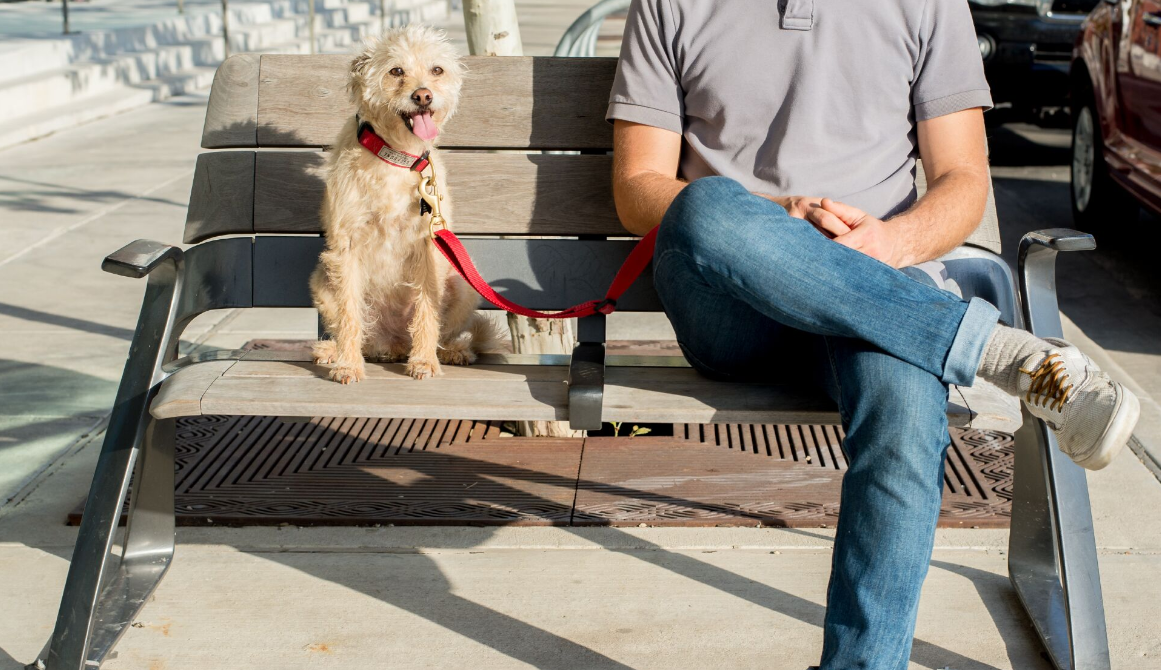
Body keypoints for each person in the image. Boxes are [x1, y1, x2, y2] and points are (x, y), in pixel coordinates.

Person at [606, 1, 1140, 667]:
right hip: (729, 304)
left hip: (875, 290)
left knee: (907, 404)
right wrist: (777, 216)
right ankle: (999, 352)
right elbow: (636, 189)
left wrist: (890, 242)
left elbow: (961, 180)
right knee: (706, 205)